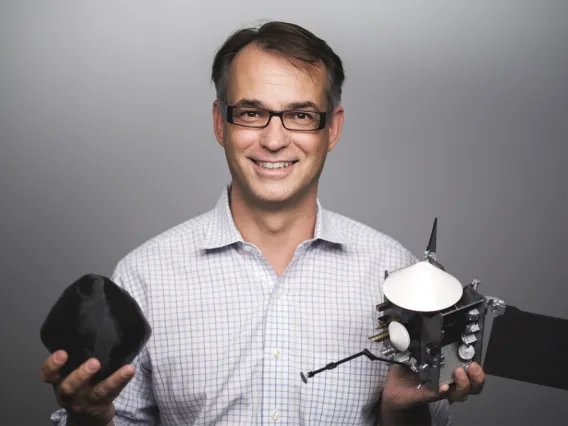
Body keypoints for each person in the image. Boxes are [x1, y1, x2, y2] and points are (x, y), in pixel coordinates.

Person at [40, 21, 486, 425]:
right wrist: (90, 420)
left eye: (300, 115)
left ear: (331, 129)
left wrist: (397, 412)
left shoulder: (397, 276)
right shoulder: (145, 275)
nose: (274, 140)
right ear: (221, 123)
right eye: (252, 113)